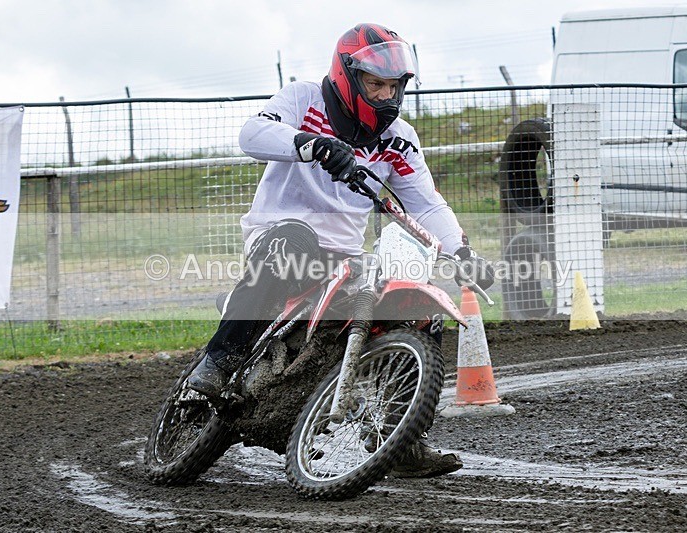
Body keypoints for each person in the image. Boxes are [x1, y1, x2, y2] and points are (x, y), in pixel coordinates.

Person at [188, 23, 494, 478]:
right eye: (376, 85)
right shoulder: (303, 99)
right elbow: (252, 134)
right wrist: (308, 144)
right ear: (348, 76)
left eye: (394, 87)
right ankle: (219, 362)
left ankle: (401, 437)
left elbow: (426, 203)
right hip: (277, 236)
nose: (386, 96)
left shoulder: (399, 138)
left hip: (343, 258)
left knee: (419, 310)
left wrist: (461, 251)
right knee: (292, 241)